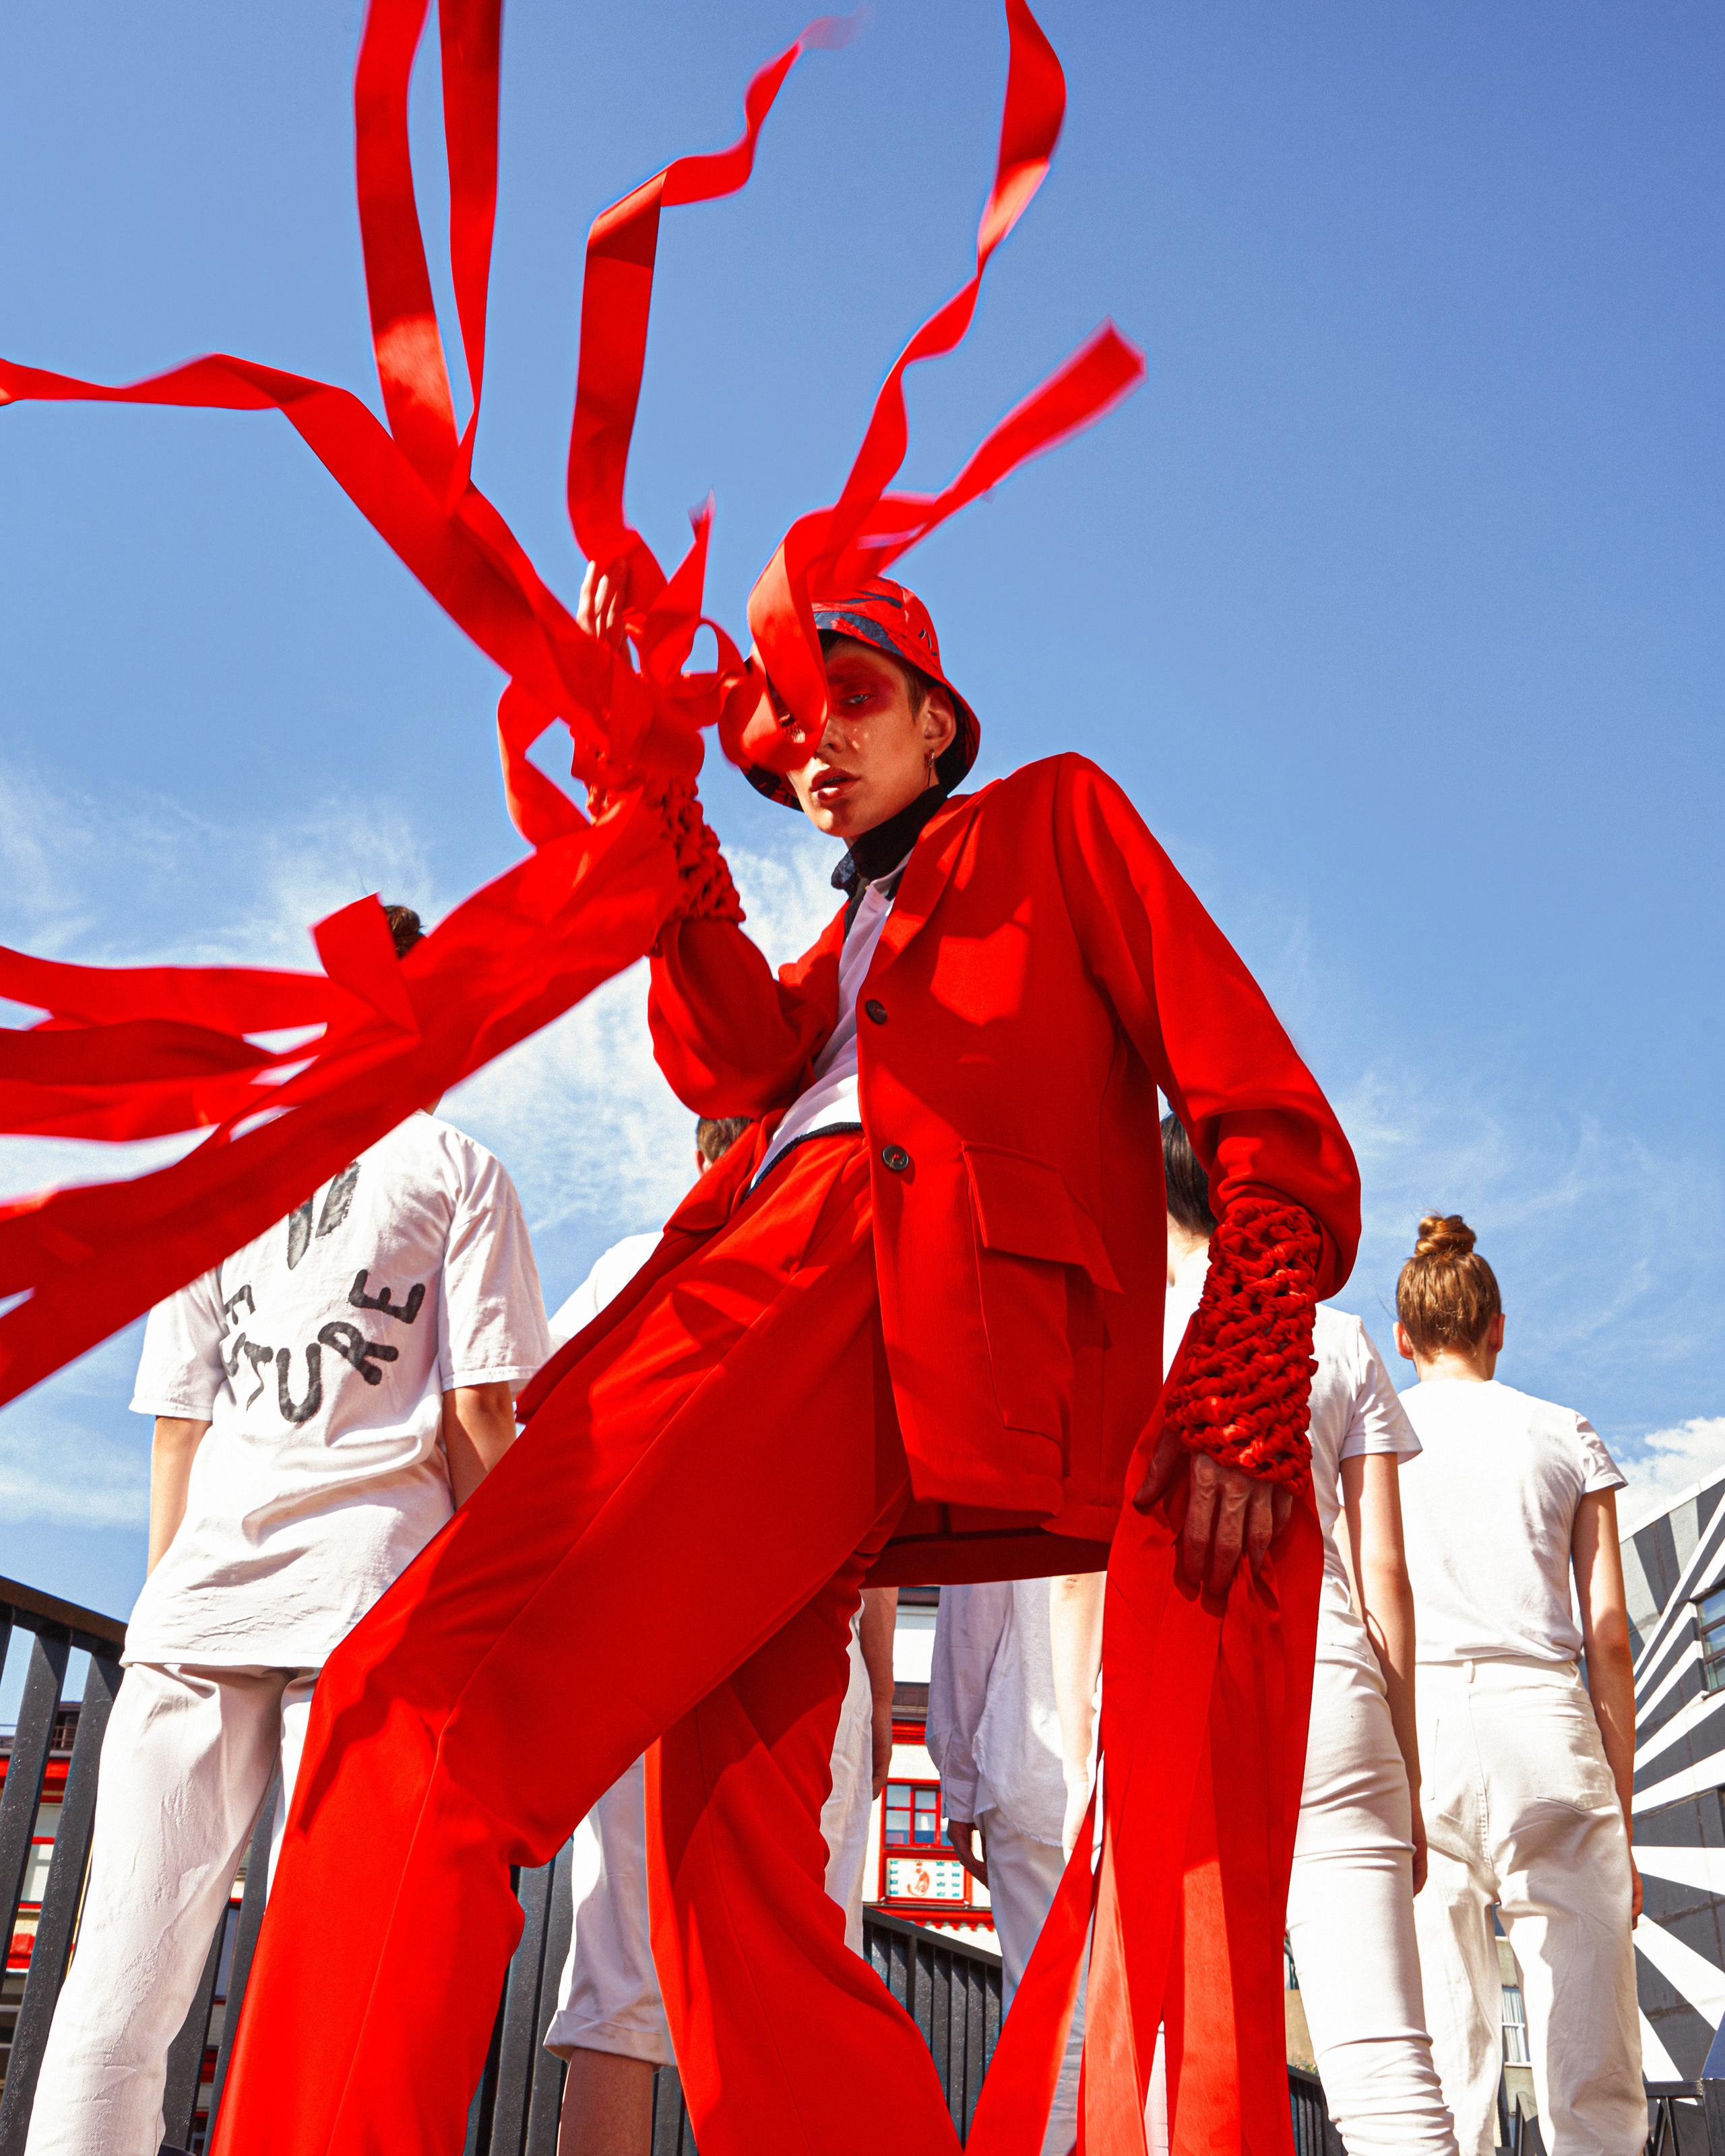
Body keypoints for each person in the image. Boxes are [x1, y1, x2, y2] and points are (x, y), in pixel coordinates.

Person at [214, 572, 1360, 2156]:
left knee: (416, 1708)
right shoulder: (835, 954)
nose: (815, 738)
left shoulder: (1050, 819)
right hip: (812, 1324)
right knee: (724, 1860)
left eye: (851, 696)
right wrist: (647, 789)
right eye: (785, 724)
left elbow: (1253, 1092)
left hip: (846, 1290)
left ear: (937, 721)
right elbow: (725, 1053)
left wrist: (1247, 1343)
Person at [24, 906, 551, 2156]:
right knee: (331, 1979)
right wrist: (504, 1606)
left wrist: (164, 1612)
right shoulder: (459, 1168)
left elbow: (178, 1428)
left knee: (123, 1978)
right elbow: (480, 1408)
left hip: (200, 1604)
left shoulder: (232, 1173)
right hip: (372, 1607)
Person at [545, 1116, 898, 2156]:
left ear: (707, 1158)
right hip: (809, 1668)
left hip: (639, 1650)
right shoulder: (855, 1268)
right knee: (795, 1983)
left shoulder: (632, 1268)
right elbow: (876, 1520)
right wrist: (877, 1702)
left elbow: (553, 1457)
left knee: (618, 1984)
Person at [1394, 1215, 1644, 2156]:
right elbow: (1610, 1637)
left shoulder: (1375, 1431)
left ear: (1403, 1338)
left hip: (1414, 1728)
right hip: (1543, 1719)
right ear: (1501, 1326)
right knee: (1590, 2067)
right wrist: (1618, 1810)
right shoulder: (1563, 1432)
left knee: (1441, 2066)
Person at [929, 1577, 1094, 2156]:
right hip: (1140, 1756)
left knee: (1049, 2023)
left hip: (1031, 1756)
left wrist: (958, 1784)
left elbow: (971, 1629)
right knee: (1144, 2027)